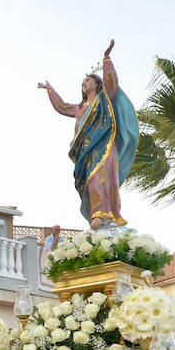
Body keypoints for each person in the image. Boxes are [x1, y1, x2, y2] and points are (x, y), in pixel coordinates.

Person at [38, 39, 137, 228]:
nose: (84, 84)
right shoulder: (80, 108)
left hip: (105, 145)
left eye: (88, 80)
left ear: (97, 84)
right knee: (91, 179)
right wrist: (50, 90)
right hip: (85, 150)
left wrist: (107, 60)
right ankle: (96, 213)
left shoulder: (103, 99)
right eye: (83, 82)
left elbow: (111, 84)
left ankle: (108, 213)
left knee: (106, 176)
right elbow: (61, 107)